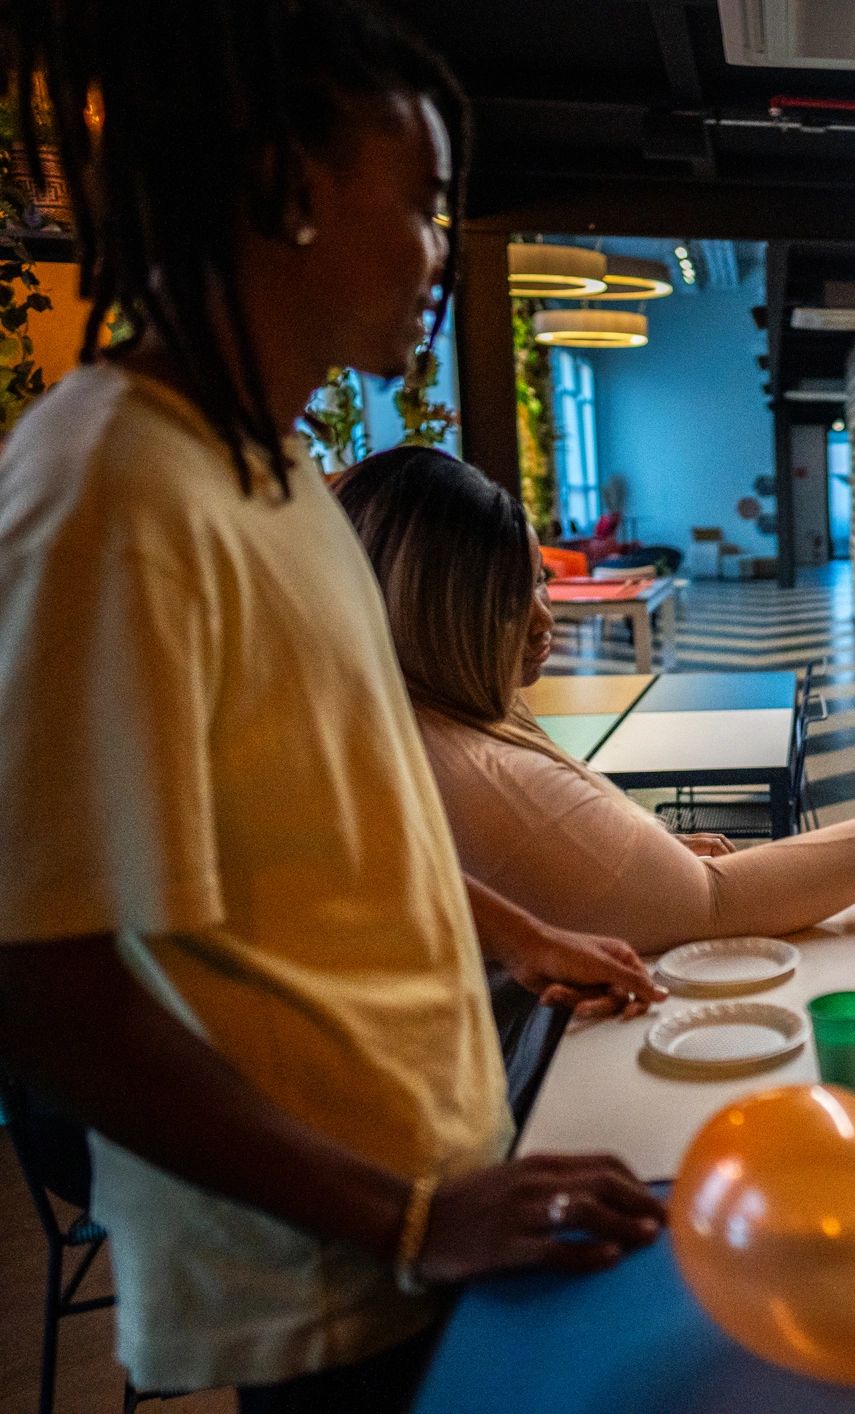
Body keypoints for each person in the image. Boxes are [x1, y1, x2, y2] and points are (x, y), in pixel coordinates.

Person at [0, 4, 663, 1408]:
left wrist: (523, 931)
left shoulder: (285, 477)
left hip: (428, 1180)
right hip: (331, 1260)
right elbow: (49, 988)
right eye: (423, 208)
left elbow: (335, 806)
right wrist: (412, 1218)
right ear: (292, 194)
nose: (438, 252)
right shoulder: (108, 487)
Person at [336, 446, 855, 957]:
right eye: (507, 598)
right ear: (432, 608)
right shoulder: (478, 766)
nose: (542, 619)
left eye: (540, 583)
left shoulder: (406, 731)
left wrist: (648, 851)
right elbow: (718, 903)